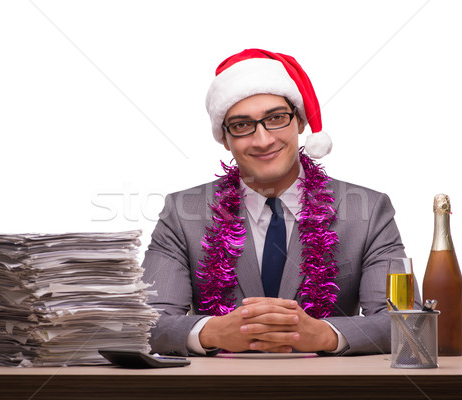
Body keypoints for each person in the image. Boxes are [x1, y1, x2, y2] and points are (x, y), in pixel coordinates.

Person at [141, 48, 421, 356]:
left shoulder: (369, 211)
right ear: (224, 138)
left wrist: (325, 334)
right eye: (242, 125)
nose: (263, 140)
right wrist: (211, 332)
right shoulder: (181, 215)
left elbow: (406, 322)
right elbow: (147, 322)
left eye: (276, 119)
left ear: (300, 122)